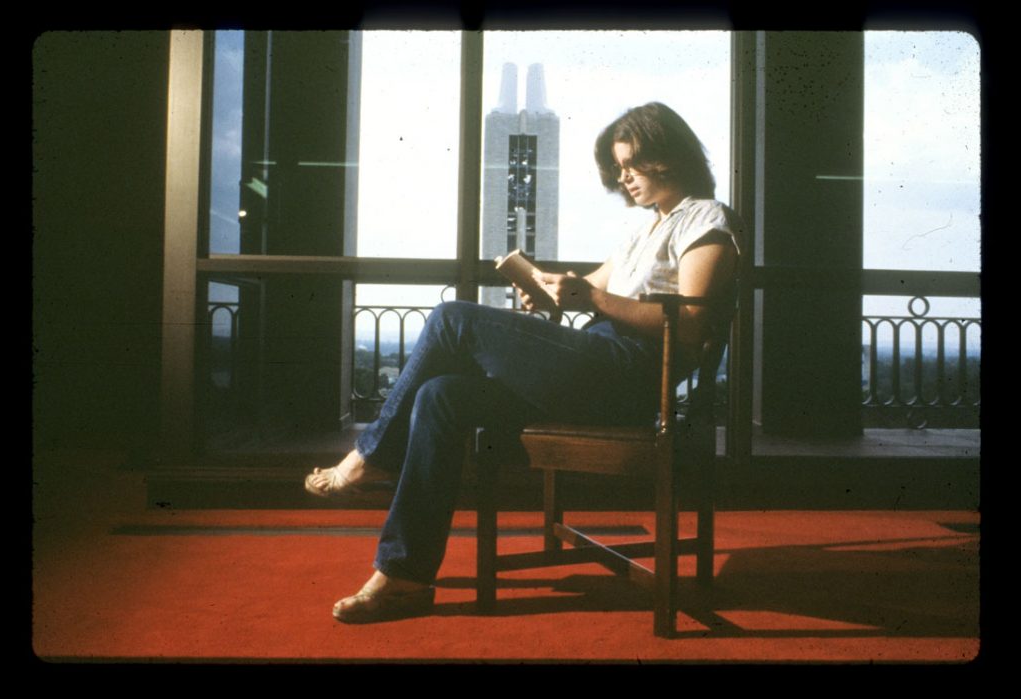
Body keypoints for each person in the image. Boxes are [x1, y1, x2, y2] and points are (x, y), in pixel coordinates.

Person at [305, 102, 743, 623]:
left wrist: (592, 300)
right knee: (439, 395)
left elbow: (690, 324)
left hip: (632, 375)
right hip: (596, 366)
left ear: (667, 157)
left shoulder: (708, 219)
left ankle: (369, 456)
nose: (623, 178)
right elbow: (592, 287)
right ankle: (404, 577)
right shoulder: (641, 229)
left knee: (451, 318)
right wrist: (553, 292)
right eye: (618, 168)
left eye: (632, 164)